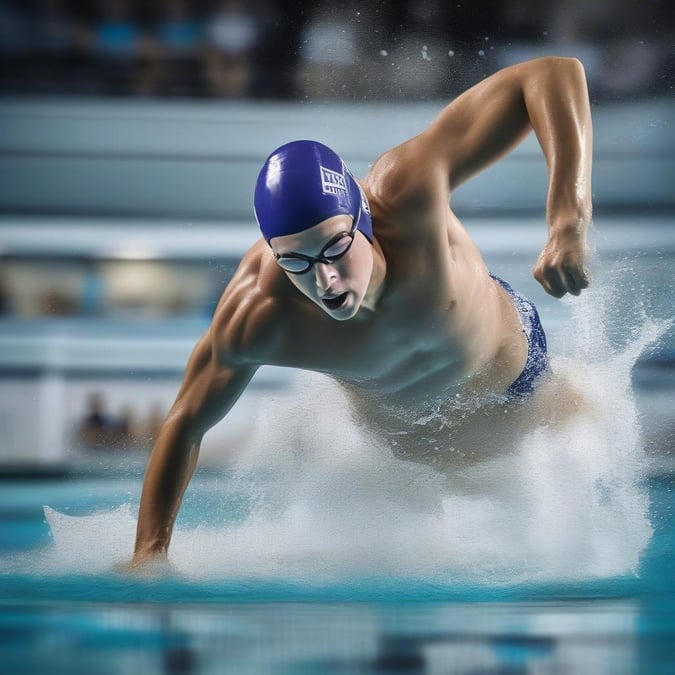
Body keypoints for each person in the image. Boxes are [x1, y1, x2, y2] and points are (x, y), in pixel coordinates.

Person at [130, 56, 592, 569]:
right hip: (404, 451)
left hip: (514, 390)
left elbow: (551, 74)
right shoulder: (257, 312)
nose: (324, 280)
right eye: (296, 262)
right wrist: (149, 557)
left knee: (580, 453)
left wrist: (567, 222)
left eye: (334, 248)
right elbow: (186, 422)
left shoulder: (407, 189)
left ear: (364, 219)